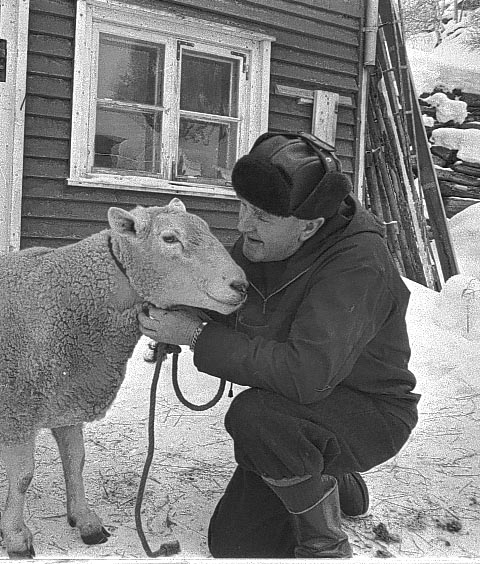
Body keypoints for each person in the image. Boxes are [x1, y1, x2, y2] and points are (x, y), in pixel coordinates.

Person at [137, 131, 419, 558]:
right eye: (243, 207)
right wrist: (188, 315)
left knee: (255, 417)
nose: (243, 225)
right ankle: (333, 482)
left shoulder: (359, 264)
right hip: (298, 412)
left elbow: (304, 374)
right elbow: (239, 302)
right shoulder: (264, 242)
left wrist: (195, 336)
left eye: (262, 218)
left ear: (310, 226)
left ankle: (324, 544)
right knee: (236, 544)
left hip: (368, 411)